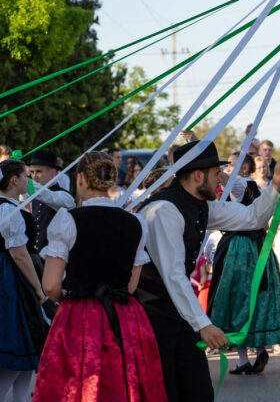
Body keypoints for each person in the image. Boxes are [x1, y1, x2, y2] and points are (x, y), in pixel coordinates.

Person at [135, 141, 280, 402]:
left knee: (198, 390)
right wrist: (204, 325)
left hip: (178, 314)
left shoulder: (201, 205)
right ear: (198, 176)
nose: (220, 179)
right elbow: (173, 276)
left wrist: (276, 184)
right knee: (165, 392)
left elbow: (252, 218)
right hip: (150, 318)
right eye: (215, 173)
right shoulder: (163, 210)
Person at [34, 152, 166, 401]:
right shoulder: (135, 222)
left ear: (80, 179)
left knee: (78, 385)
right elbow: (130, 287)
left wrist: (67, 297)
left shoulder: (67, 220)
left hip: (80, 316)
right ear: (111, 180)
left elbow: (50, 285)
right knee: (123, 383)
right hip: (125, 317)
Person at [207, 152, 280, 376]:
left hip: (239, 248)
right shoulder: (253, 188)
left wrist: (216, 170)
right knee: (257, 299)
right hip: (259, 247)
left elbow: (227, 179)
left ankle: (244, 358)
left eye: (232, 165)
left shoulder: (239, 184)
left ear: (243, 167)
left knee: (239, 300)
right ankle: (258, 350)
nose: (226, 170)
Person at [0, 160, 46, 402]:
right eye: (25, 176)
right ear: (14, 180)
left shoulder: (10, 208)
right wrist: (38, 289)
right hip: (11, 280)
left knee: (26, 357)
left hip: (11, 276)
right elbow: (18, 253)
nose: (29, 180)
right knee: (17, 347)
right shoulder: (7, 211)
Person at [27, 150, 75, 252]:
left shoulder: (65, 197)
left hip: (54, 255)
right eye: (32, 172)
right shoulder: (33, 196)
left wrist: (25, 182)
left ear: (53, 172)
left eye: (39, 171)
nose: (34, 176)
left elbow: (49, 196)